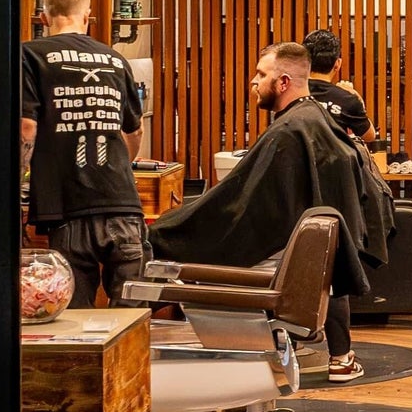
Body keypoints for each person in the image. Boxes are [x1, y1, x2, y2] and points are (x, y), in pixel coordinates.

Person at [151, 41, 389, 382]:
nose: (253, 82)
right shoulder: (311, 119)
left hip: (275, 266)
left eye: (261, 75)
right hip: (305, 259)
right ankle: (339, 355)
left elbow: (239, 209)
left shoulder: (289, 132)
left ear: (282, 83)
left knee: (159, 252)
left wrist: (170, 226)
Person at [18, 0, 147, 307]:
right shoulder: (116, 60)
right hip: (124, 206)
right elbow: (134, 131)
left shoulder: (30, 55)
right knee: (131, 322)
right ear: (88, 15)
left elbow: (27, 126)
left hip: (70, 208)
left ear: (44, 17)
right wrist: (119, 168)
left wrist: (17, 181)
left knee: (74, 322)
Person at [303, 29, 373, 145]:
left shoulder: (291, 93)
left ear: (305, 61)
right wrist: (355, 97)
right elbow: (369, 136)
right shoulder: (347, 99)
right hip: (334, 162)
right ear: (337, 64)